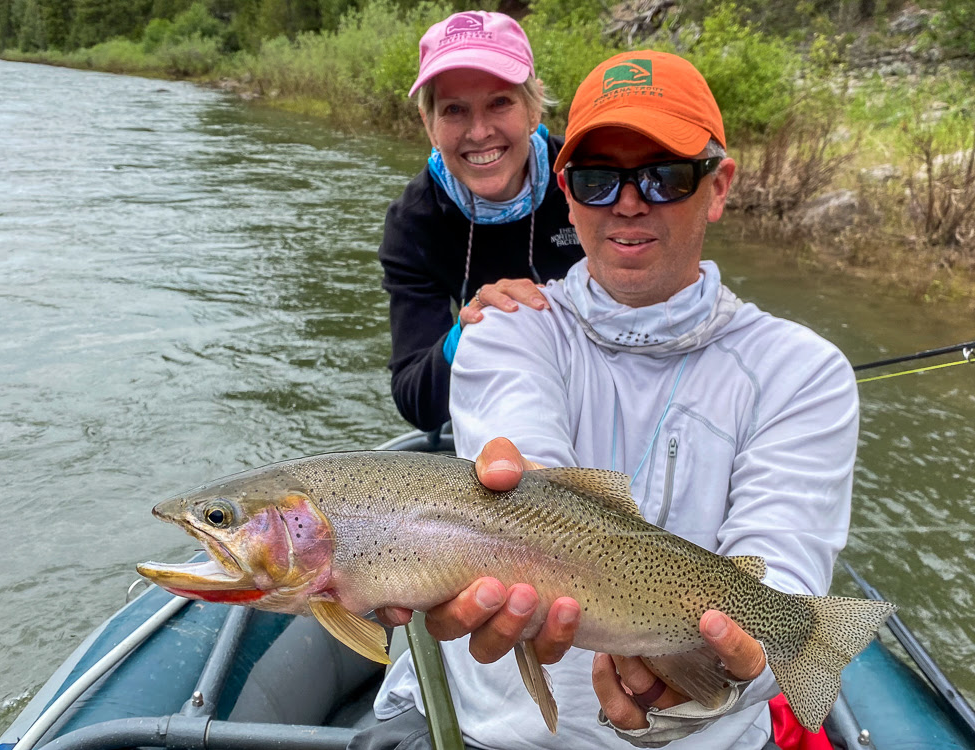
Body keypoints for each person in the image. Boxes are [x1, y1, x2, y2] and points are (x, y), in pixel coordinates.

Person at [364, 50, 859, 750]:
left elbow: (780, 570)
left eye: (665, 175)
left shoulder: (805, 372)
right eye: (599, 179)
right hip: (492, 734)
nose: (629, 201)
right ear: (567, 192)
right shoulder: (504, 328)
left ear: (718, 188)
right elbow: (524, 454)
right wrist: (521, 485)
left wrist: (710, 680)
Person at [379, 10, 584, 432]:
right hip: (499, 415)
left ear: (532, 108)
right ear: (429, 124)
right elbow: (417, 402)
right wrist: (467, 329)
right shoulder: (414, 222)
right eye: (454, 109)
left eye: (500, 102)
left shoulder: (589, 181)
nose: (478, 131)